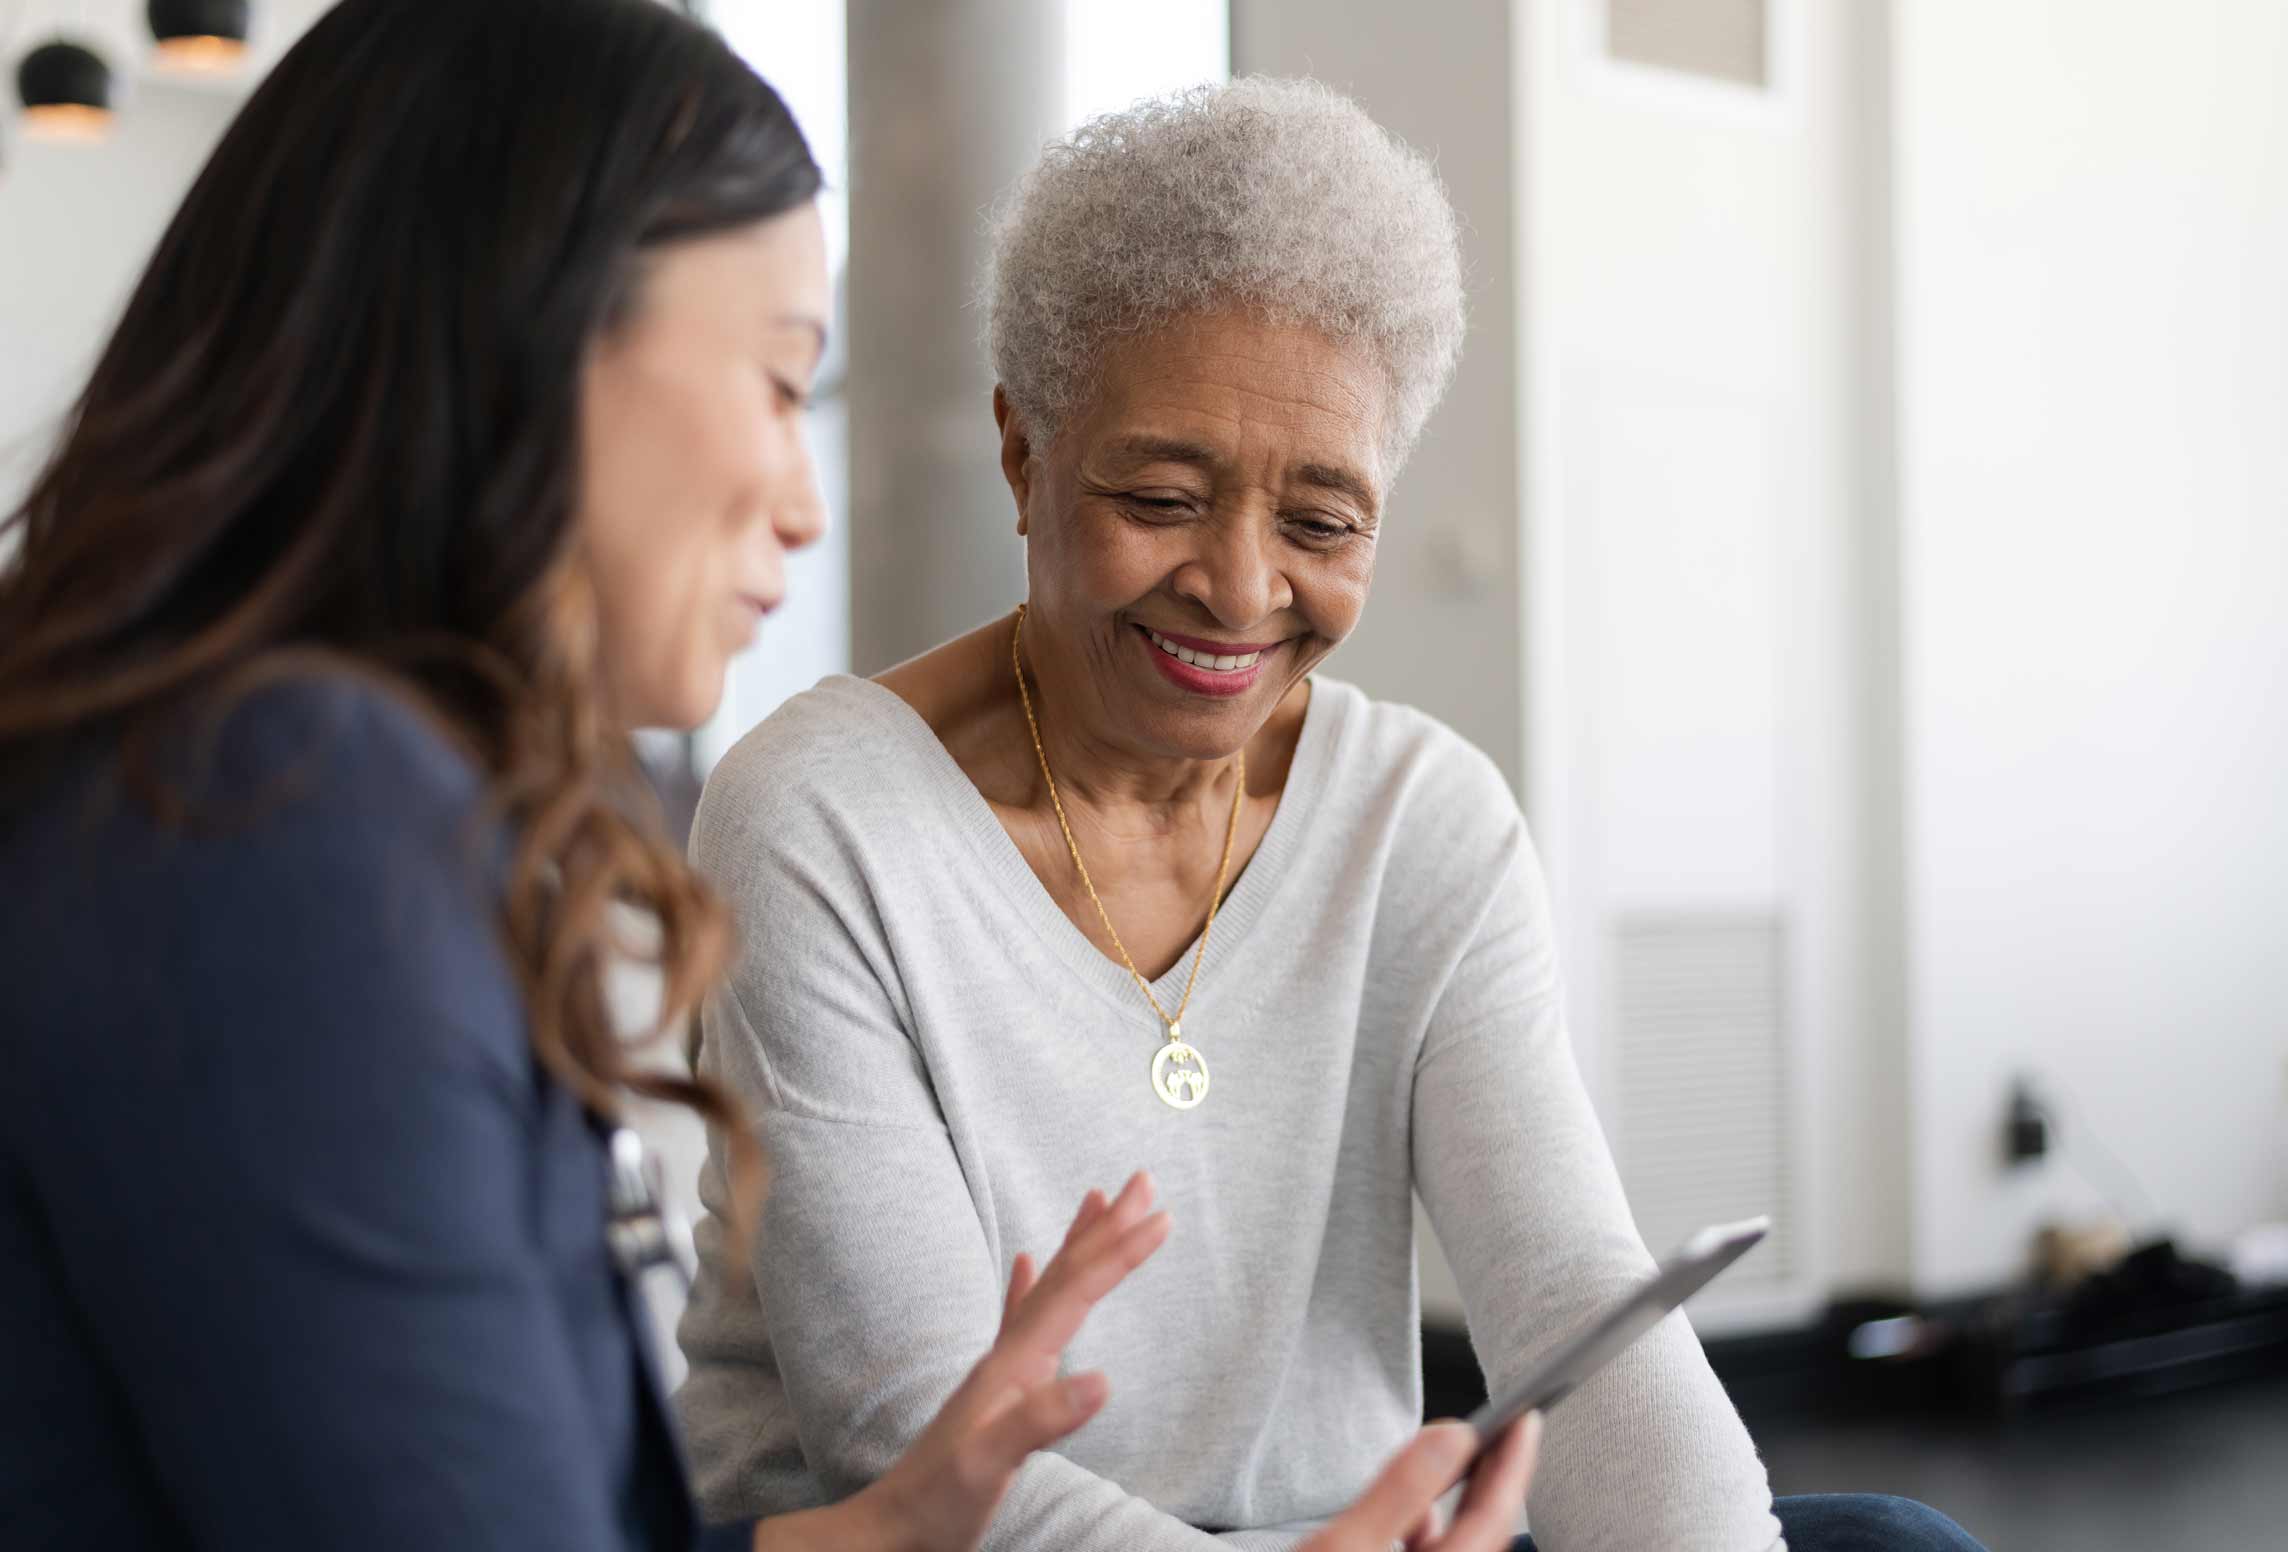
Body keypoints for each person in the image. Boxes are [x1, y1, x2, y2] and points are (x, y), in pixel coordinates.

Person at [0, 5, 1538, 1550]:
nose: (806, 507)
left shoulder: (285, 790)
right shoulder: (279, 821)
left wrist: (891, 1526)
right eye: (778, 383)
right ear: (519, 353)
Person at [676, 78, 1987, 1552]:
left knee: (1889, 1545)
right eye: (1162, 497)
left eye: (1320, 523)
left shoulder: (1423, 821)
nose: (1241, 591)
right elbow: (915, 1440)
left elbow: (1576, 1303)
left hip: (1342, 1536)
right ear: (1023, 452)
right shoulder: (820, 819)